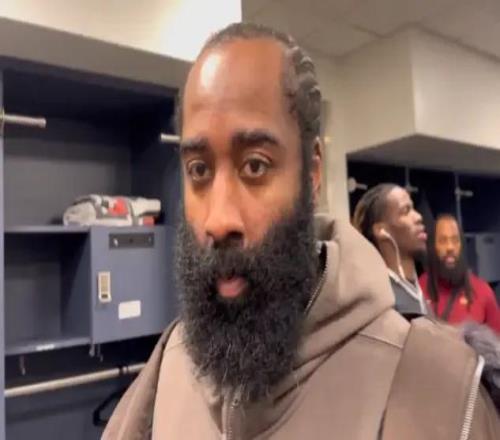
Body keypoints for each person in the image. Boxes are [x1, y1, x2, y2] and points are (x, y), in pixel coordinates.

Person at [103, 23, 499, 439]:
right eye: (198, 170)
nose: (218, 220)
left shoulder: (444, 395)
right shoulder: (162, 376)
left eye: (255, 165)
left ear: (312, 172)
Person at [352, 183, 428, 319]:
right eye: (405, 211)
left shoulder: (419, 292)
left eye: (413, 208)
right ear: (381, 230)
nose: (418, 217)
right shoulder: (380, 302)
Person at [420, 214, 500, 333]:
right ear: (433, 247)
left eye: (455, 240)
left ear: (461, 246)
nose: (450, 247)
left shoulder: (482, 291)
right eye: (443, 241)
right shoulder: (420, 288)